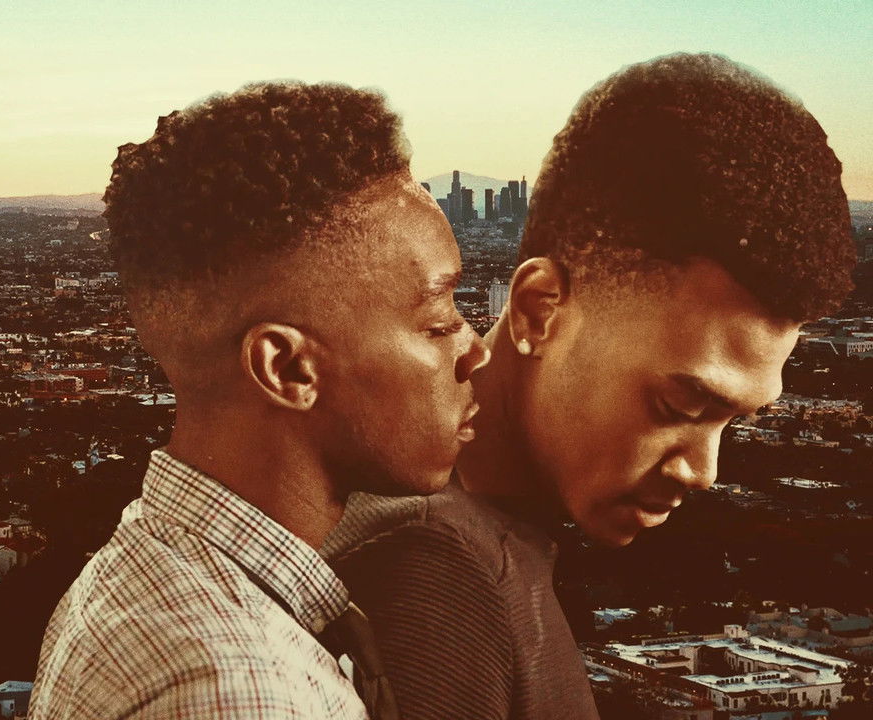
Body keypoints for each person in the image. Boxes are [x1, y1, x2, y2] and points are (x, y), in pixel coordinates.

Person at [325, 53, 856, 720]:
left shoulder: (461, 535)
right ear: (538, 311)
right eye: (678, 405)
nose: (704, 472)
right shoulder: (441, 571)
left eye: (736, 420)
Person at [29, 81, 490, 719]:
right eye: (439, 321)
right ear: (288, 369)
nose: (476, 349)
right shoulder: (249, 692)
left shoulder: (141, 575)